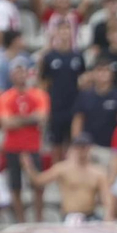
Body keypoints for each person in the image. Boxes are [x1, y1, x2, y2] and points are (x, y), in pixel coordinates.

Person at [0, 59, 50, 223]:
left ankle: (38, 220)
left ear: (28, 73)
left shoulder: (39, 95)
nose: (20, 75)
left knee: (37, 185)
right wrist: (30, 119)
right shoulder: (5, 97)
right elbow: (5, 123)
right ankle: (21, 221)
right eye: (16, 71)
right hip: (12, 147)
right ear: (11, 75)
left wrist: (17, 120)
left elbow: (42, 118)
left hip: (33, 146)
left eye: (22, 71)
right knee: (15, 186)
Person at [32, 133, 112, 222]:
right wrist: (27, 165)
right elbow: (39, 181)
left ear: (89, 148)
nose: (81, 151)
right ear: (73, 149)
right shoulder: (62, 168)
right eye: (79, 147)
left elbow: (106, 197)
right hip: (70, 215)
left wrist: (108, 216)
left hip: (90, 215)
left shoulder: (98, 172)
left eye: (84, 147)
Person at [39, 26, 86, 158]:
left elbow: (83, 80)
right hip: (56, 106)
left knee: (73, 143)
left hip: (74, 105)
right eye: (62, 31)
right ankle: (58, 174)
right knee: (57, 144)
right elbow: (43, 82)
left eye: (67, 30)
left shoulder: (78, 56)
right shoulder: (49, 57)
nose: (65, 34)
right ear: (57, 34)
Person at [72, 60, 117, 155]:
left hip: (110, 148)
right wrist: (76, 143)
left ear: (112, 74)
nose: (103, 74)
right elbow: (78, 120)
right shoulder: (85, 95)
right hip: (88, 147)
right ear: (93, 74)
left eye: (106, 71)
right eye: (99, 70)